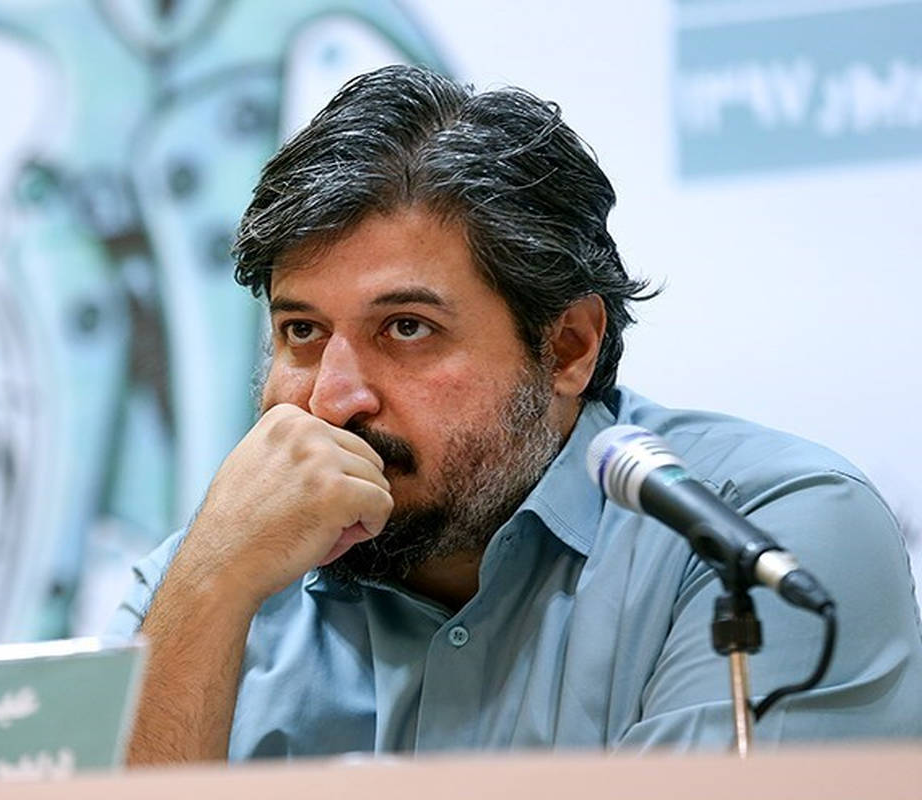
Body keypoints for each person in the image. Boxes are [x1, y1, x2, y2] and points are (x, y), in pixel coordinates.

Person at [112, 65, 922, 764]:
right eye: (302, 331)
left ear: (568, 346)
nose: (333, 398)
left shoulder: (755, 538)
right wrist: (208, 591)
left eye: (406, 329)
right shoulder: (207, 576)